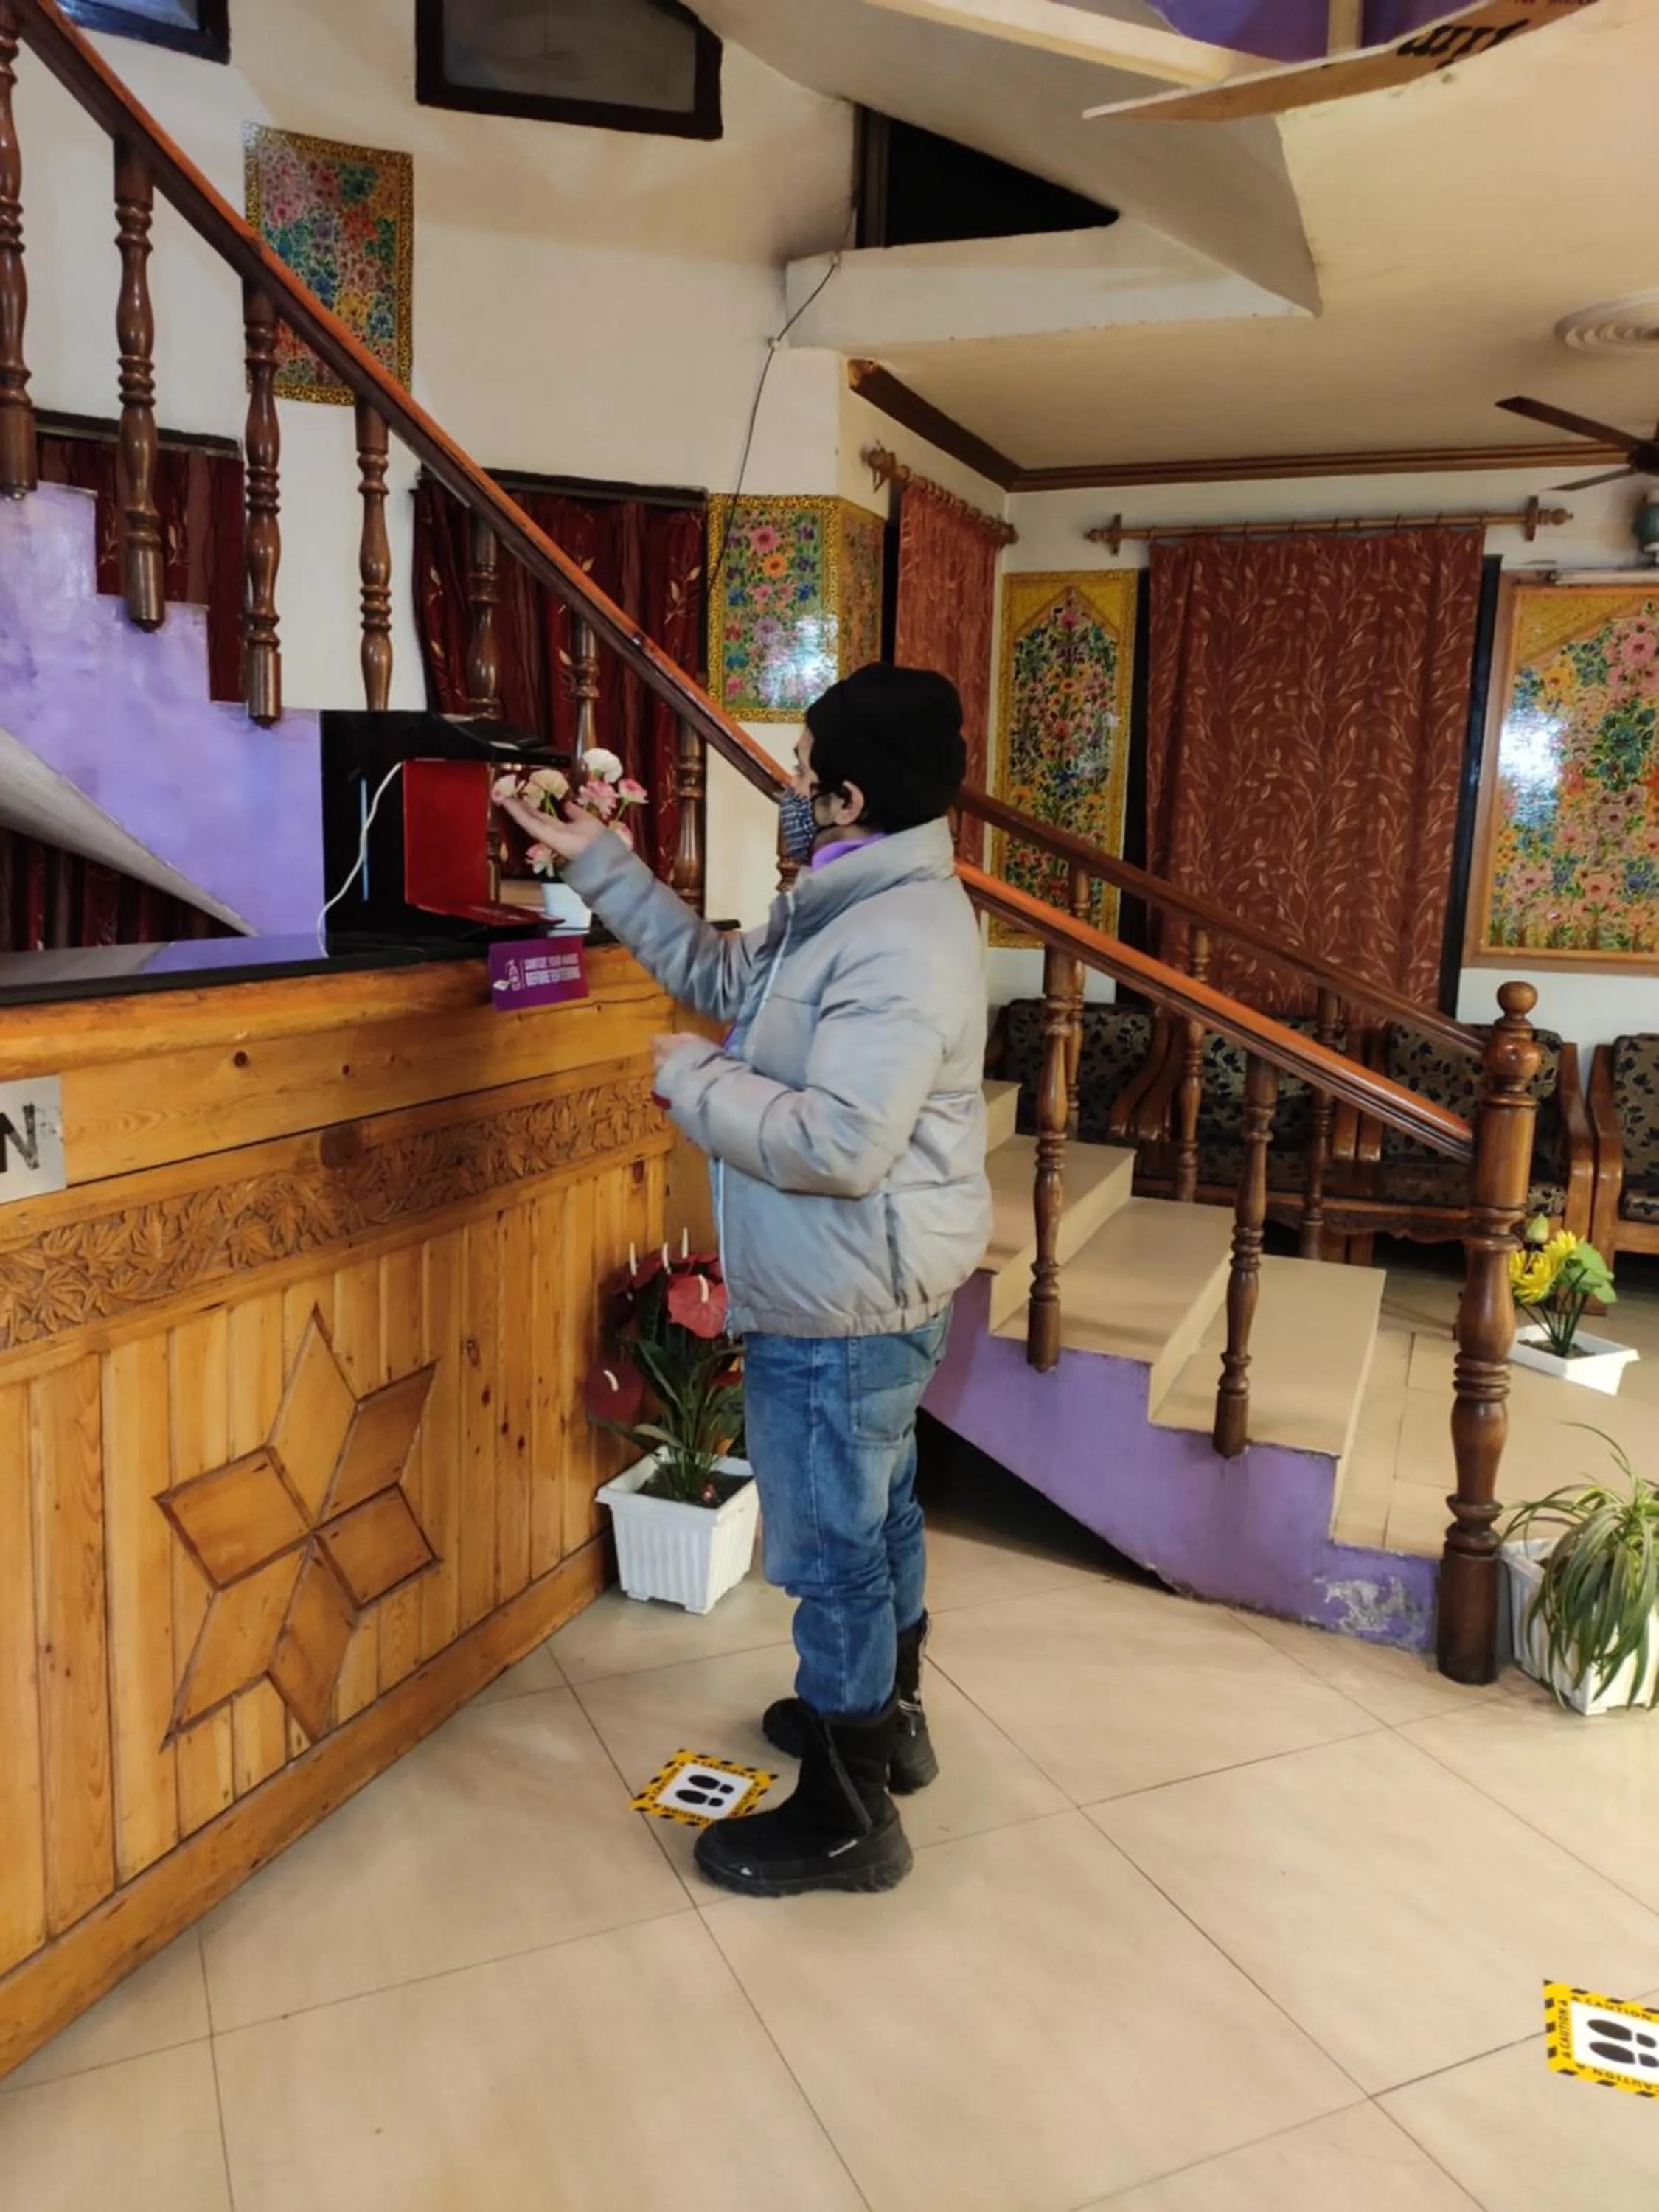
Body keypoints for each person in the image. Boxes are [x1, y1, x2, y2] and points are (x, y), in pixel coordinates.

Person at [502, 663, 990, 1898]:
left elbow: (838, 1145)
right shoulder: (842, 894)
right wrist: (599, 859)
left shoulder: (897, 935)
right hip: (860, 1283)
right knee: (873, 1519)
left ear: (845, 793)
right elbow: (727, 982)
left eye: (803, 770)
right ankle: (888, 1726)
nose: (787, 787)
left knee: (830, 1553)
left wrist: (693, 1085)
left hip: (841, 1295)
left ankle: (847, 1813)